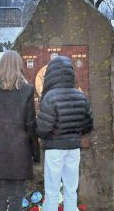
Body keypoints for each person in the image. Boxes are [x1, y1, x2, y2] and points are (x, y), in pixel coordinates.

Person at [0, 51, 39, 211]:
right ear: (19, 66)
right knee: (16, 195)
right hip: (19, 149)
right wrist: (35, 153)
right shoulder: (27, 90)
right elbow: (30, 125)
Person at [36, 56, 93, 211]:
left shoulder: (50, 97)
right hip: (74, 148)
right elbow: (88, 124)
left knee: (52, 190)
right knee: (71, 189)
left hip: (54, 149)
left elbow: (42, 129)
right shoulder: (81, 96)